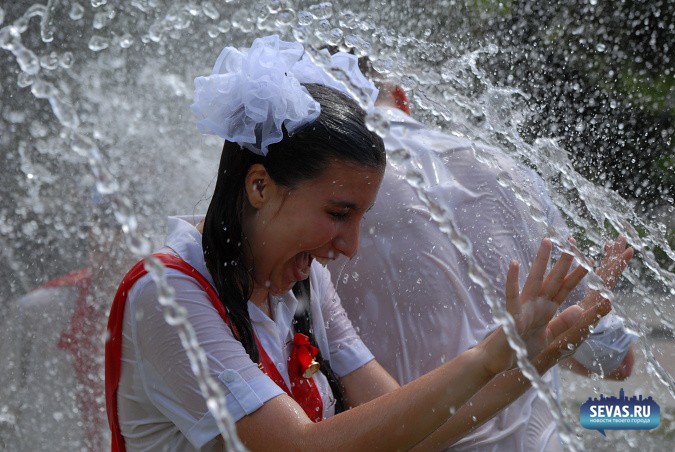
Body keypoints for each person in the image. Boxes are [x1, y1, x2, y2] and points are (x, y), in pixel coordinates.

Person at [104, 35, 617, 451]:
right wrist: (485, 358)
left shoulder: (306, 284)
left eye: (362, 218)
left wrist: (540, 354)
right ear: (259, 186)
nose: (350, 245)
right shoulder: (168, 296)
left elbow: (412, 437)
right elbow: (299, 447)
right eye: (338, 214)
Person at [329, 77, 636, 450]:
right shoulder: (511, 173)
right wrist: (562, 339)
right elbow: (616, 362)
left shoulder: (333, 203)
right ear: (402, 99)